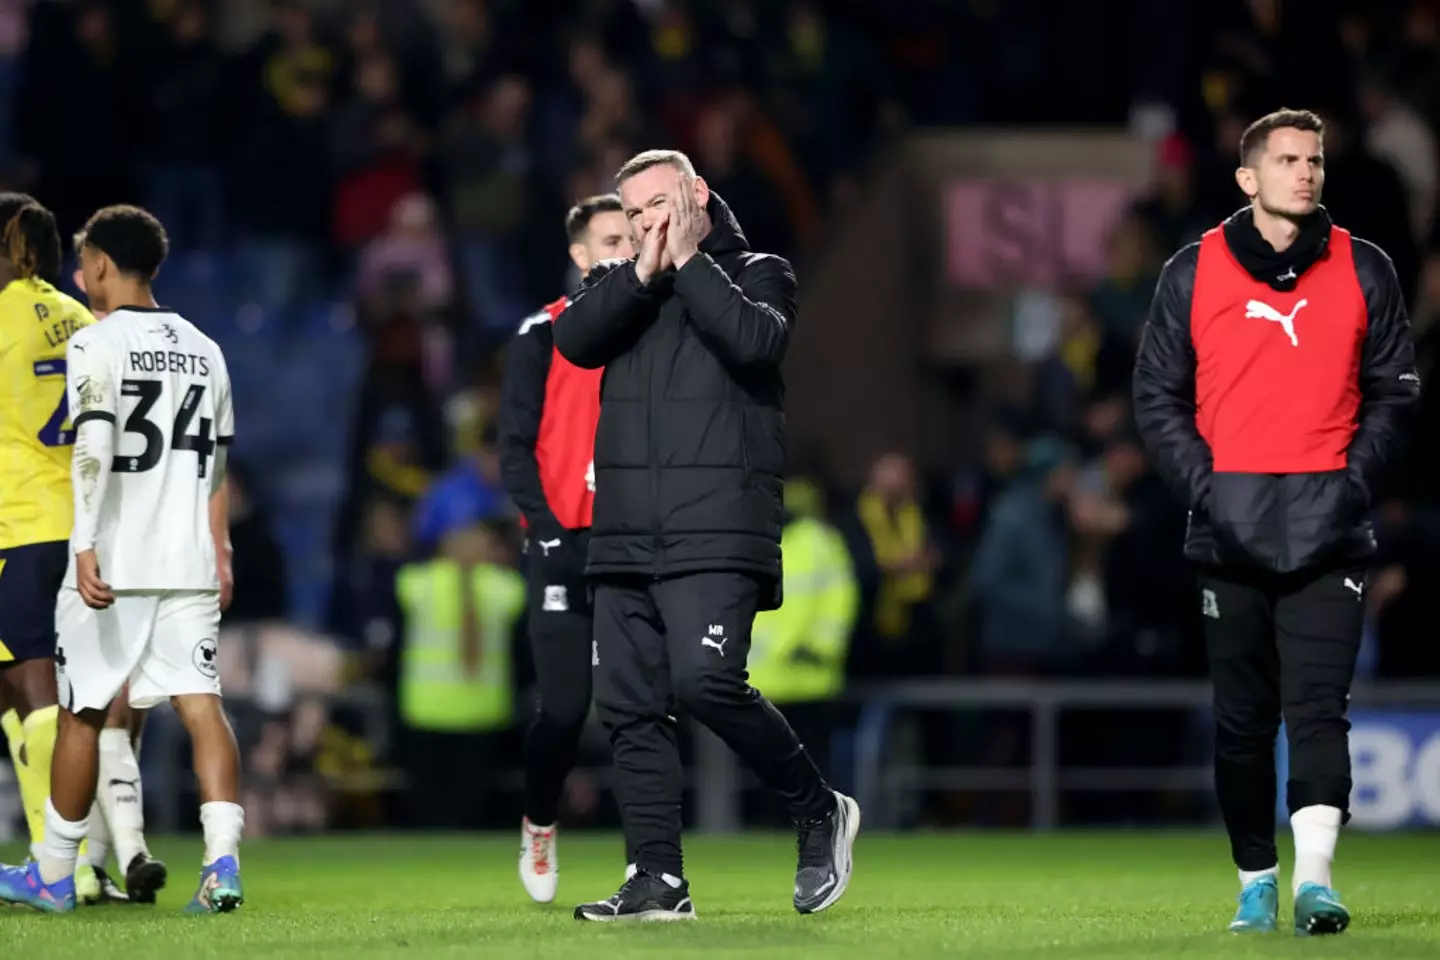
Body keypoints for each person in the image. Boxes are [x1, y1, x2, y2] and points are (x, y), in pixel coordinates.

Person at [1133, 108, 1420, 937]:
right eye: (1289, 159)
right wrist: (1208, 486)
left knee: (1320, 712)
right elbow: (1156, 396)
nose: (1308, 172)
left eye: (1316, 159)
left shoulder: (1367, 269)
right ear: (1248, 179)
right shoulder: (1192, 272)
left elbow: (1396, 394)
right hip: (1230, 527)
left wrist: (1353, 483)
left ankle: (1315, 883)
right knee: (1242, 721)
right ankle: (1257, 879)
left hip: (1331, 528)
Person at [554, 149, 859, 923]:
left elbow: (756, 343)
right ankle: (658, 879)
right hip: (625, 532)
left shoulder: (762, 270)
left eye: (659, 203)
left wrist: (687, 264)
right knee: (628, 707)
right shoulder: (624, 288)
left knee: (705, 684)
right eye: (633, 214)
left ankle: (819, 808)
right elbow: (575, 342)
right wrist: (641, 274)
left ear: (697, 195)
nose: (647, 222)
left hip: (718, 526)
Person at [0, 205, 246, 914]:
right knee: (203, 706)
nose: (83, 276)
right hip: (190, 558)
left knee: (80, 712)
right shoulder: (206, 347)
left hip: (118, 560)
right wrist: (220, 547)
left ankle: (53, 872)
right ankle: (222, 865)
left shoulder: (98, 342)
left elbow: (95, 445)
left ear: (103, 264)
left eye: (86, 263)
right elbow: (218, 466)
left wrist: (84, 545)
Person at [497, 194, 635, 903]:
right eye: (610, 239)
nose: (623, 248)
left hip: (631, 543)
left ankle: (652, 864)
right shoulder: (541, 335)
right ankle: (541, 823)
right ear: (580, 256)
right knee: (563, 709)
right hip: (562, 543)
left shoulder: (653, 330)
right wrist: (546, 530)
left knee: (641, 707)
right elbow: (513, 449)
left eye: (631, 237)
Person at [0, 195, 99, 891]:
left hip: (20, 518)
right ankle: (59, 856)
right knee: (36, 688)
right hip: (83, 522)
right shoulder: (81, 316)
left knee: (32, 685)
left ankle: (69, 867)